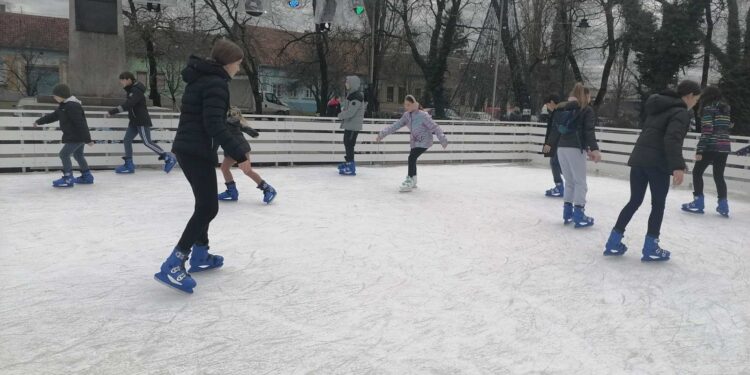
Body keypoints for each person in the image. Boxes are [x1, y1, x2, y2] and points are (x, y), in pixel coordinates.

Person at [154, 39, 252, 293]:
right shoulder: (216, 84)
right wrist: (240, 153)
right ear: (229, 62)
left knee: (205, 205)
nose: (238, 69)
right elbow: (214, 125)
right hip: (196, 150)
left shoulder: (202, 78)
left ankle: (200, 255)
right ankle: (174, 264)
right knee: (208, 207)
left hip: (192, 148)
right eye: (238, 64)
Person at [604, 80, 702, 262]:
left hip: (639, 159)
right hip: (657, 164)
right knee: (658, 204)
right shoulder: (681, 112)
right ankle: (651, 247)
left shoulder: (659, 106)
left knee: (634, 201)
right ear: (689, 96)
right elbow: (672, 139)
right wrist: (678, 166)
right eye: (695, 100)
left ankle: (613, 241)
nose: (695, 104)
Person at [547, 83, 601, 228]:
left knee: (570, 181)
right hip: (575, 148)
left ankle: (567, 212)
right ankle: (579, 213)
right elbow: (589, 131)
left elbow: (555, 128)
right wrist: (594, 149)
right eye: (589, 96)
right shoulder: (586, 110)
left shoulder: (563, 108)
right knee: (580, 182)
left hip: (561, 147)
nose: (590, 99)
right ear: (585, 96)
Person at [107, 72, 176, 174]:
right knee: (127, 140)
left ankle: (167, 157)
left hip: (141, 120)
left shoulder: (136, 91)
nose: (121, 83)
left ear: (129, 79)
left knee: (147, 142)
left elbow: (129, 104)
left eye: (122, 80)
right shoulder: (131, 90)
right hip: (134, 121)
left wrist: (113, 111)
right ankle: (129, 165)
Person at [375, 95, 448, 192]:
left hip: (425, 140)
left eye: (408, 105)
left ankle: (409, 179)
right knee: (412, 158)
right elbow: (395, 126)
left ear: (414, 105)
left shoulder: (423, 115)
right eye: (405, 105)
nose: (406, 107)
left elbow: (435, 127)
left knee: (411, 158)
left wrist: (442, 139)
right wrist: (382, 134)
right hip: (415, 141)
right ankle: (413, 179)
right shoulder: (406, 116)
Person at [681, 86, 732, 217]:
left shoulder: (708, 109)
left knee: (697, 172)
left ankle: (698, 202)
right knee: (719, 175)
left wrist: (700, 149)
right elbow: (727, 126)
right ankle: (723, 204)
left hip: (711, 146)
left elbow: (707, 130)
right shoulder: (725, 108)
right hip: (724, 146)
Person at [33, 84, 94, 187]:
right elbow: (53, 116)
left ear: (62, 95)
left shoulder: (72, 106)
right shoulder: (64, 106)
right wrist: (39, 121)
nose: (54, 97)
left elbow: (81, 123)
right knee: (78, 155)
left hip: (76, 136)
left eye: (55, 95)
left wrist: (88, 139)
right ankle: (87, 176)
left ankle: (68, 177)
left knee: (64, 154)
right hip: (76, 136)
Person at [217, 106, 277, 203]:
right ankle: (232, 192)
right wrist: (253, 133)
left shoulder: (229, 121)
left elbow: (241, 125)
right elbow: (243, 126)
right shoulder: (223, 121)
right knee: (224, 168)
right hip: (230, 149)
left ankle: (268, 189)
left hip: (240, 148)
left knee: (247, 170)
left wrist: (253, 132)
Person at [337, 76, 366, 176]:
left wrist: (340, 115)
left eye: (347, 82)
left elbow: (351, 112)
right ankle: (349, 163)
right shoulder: (351, 95)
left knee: (349, 144)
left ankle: (351, 166)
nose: (346, 84)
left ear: (352, 84)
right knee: (347, 143)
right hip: (350, 124)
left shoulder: (357, 96)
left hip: (353, 125)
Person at [541, 94, 563, 197]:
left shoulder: (558, 113)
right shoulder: (558, 112)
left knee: (555, 163)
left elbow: (555, 130)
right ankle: (566, 186)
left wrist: (549, 143)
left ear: (552, 102)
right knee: (558, 164)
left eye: (547, 104)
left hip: (560, 142)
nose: (547, 107)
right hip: (560, 142)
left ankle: (560, 186)